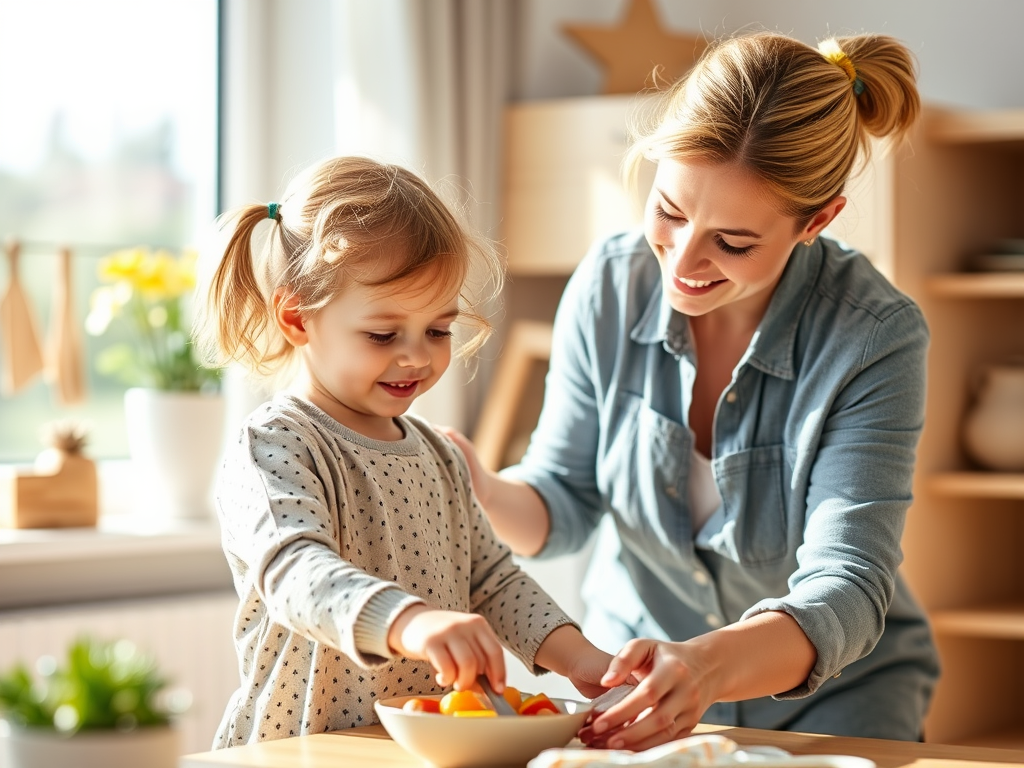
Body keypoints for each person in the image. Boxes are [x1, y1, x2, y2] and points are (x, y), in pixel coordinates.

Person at [443, 31, 941, 748]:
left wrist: (705, 665)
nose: (683, 260)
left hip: (837, 703)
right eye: (670, 211)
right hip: (636, 693)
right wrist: (483, 489)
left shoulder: (874, 336)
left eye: (733, 242)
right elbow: (564, 500)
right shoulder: (608, 286)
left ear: (818, 220)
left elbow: (849, 586)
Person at [192, 156, 613, 747]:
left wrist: (581, 659)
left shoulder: (438, 455)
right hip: (304, 748)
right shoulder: (273, 444)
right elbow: (293, 570)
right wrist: (409, 622)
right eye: (384, 335)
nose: (417, 357)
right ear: (297, 319)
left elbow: (491, 580)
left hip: (420, 747)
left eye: (438, 330)